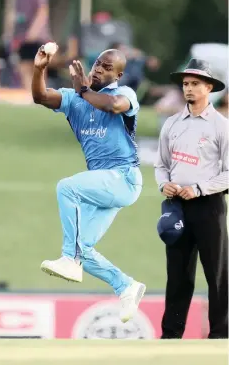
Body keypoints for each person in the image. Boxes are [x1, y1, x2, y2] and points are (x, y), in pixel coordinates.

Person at [31, 45, 146, 323]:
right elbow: (40, 96)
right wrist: (39, 69)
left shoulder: (124, 93)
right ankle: (126, 286)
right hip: (106, 183)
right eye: (97, 64)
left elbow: (115, 106)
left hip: (124, 177)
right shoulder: (74, 98)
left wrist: (83, 90)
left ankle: (69, 259)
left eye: (107, 67)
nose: (98, 69)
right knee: (86, 248)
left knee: (67, 187)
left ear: (118, 75)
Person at [154, 58, 228, 339]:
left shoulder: (221, 126)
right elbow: (161, 164)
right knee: (178, 275)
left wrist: (198, 188)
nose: (189, 88)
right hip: (178, 208)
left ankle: (221, 335)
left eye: (195, 83)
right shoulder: (172, 123)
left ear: (209, 88)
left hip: (209, 207)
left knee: (217, 275)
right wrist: (164, 184)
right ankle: (171, 335)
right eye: (185, 84)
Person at [3, 0, 52, 90]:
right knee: (24, 68)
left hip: (37, 39)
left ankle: (42, 95)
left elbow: (42, 12)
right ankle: (30, 95)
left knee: (39, 68)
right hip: (22, 39)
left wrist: (33, 32)